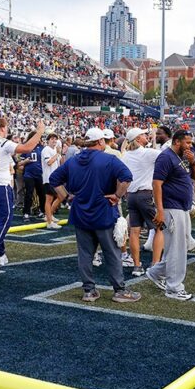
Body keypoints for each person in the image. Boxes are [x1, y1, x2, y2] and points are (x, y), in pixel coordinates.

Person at [50, 128, 140, 304]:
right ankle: (119, 290)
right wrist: (117, 195)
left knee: (85, 253)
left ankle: (89, 290)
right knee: (112, 253)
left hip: (80, 213)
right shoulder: (109, 159)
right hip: (103, 212)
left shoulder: (73, 160)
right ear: (100, 142)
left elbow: (54, 179)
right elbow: (127, 177)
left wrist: (66, 196)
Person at [0, 117, 45, 272]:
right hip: (0, 185)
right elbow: (27, 147)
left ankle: (0, 254)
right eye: (6, 127)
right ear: (2, 128)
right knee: (5, 219)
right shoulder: (2, 142)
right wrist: (40, 131)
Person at [147, 129, 195, 300]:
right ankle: (174, 288)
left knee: (180, 247)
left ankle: (155, 272)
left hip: (181, 207)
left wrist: (193, 162)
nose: (190, 145)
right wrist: (160, 210)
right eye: (187, 142)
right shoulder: (165, 157)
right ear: (177, 142)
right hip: (171, 208)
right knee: (176, 250)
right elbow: (156, 184)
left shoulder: (183, 157)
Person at [122, 128, 162, 276]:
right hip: (145, 194)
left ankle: (137, 266)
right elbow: (164, 157)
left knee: (134, 231)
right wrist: (154, 141)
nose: (147, 135)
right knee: (159, 228)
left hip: (131, 195)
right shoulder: (148, 153)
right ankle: (155, 266)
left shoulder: (126, 155)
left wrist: (151, 140)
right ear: (138, 139)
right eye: (143, 134)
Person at [41, 133, 64, 229]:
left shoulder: (55, 150)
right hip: (49, 178)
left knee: (62, 196)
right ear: (48, 140)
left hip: (55, 178)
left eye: (55, 139)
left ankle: (49, 215)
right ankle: (49, 221)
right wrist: (57, 154)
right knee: (49, 199)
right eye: (52, 139)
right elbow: (49, 162)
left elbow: (59, 163)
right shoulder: (46, 150)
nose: (54, 141)